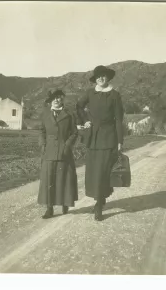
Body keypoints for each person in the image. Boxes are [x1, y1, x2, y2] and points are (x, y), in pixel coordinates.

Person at [76, 65, 124, 221]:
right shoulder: (90, 93)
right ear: (95, 79)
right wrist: (86, 120)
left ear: (108, 78)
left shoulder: (115, 95)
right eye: (98, 76)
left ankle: (98, 204)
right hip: (93, 138)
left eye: (103, 76)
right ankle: (99, 198)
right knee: (94, 171)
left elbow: (118, 120)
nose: (101, 78)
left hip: (109, 137)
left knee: (104, 171)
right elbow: (78, 107)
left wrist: (119, 141)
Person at [37, 89, 79, 219]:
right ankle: (49, 209)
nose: (56, 100)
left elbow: (74, 132)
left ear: (62, 99)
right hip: (49, 151)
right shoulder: (45, 114)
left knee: (64, 178)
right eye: (54, 98)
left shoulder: (69, 114)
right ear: (50, 101)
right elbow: (41, 131)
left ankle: (65, 203)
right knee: (49, 179)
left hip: (64, 151)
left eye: (59, 98)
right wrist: (43, 144)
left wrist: (67, 146)